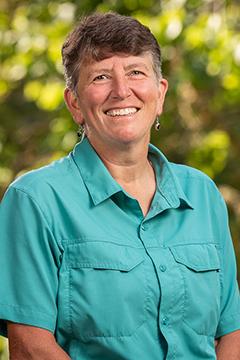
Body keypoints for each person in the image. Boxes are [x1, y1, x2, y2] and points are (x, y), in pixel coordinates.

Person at [0, 12, 240, 360]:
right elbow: (30, 347)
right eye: (100, 76)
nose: (121, 90)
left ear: (159, 94)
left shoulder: (202, 194)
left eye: (135, 72)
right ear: (75, 104)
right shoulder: (36, 200)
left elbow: (231, 331)